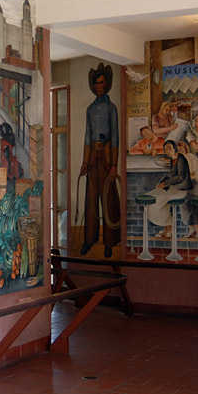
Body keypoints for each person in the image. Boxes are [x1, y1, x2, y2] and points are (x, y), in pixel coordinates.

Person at [79, 63, 120, 258]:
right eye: (96, 83)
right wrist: (85, 162)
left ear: (107, 83)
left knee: (108, 197)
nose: (99, 86)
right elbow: (87, 136)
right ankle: (89, 239)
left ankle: (110, 242)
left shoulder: (111, 108)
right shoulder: (89, 109)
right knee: (91, 198)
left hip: (106, 156)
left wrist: (114, 165)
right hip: (92, 157)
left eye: (102, 82)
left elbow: (116, 137)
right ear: (93, 86)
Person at [146, 140, 192, 238]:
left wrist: (165, 183)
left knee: (155, 199)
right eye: (165, 149)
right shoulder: (173, 159)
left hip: (181, 190)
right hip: (174, 188)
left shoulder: (181, 158)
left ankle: (169, 228)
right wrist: (161, 182)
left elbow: (180, 177)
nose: (167, 151)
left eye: (169, 148)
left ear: (175, 148)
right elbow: (171, 175)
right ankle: (167, 229)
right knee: (151, 195)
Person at [177, 141, 198, 239]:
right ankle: (192, 228)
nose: (180, 153)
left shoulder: (189, 158)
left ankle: (196, 229)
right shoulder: (184, 159)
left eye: (181, 150)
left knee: (186, 201)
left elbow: (192, 175)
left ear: (185, 150)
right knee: (188, 202)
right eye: (178, 151)